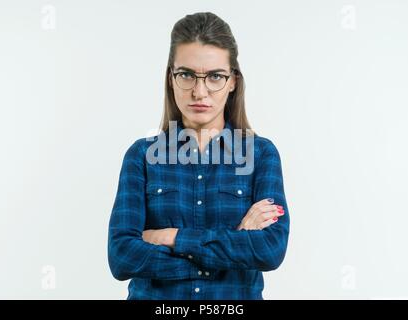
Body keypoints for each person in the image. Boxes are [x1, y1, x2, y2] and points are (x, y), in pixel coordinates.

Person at [108, 12, 290, 300]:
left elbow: (269, 251)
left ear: (233, 82)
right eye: (187, 75)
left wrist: (170, 237)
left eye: (215, 76)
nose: (199, 91)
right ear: (171, 78)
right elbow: (122, 257)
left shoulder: (261, 154)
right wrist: (237, 243)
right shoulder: (141, 156)